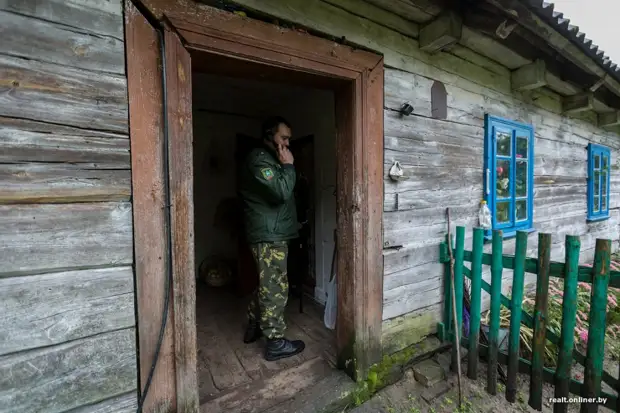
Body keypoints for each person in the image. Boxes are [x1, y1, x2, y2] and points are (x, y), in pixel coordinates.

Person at [238, 116, 306, 361]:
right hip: (269, 236)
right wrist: (289, 166)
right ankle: (275, 342)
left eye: (289, 138)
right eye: (283, 137)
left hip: (274, 232)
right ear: (269, 135)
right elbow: (280, 192)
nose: (287, 143)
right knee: (275, 287)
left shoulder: (270, 159)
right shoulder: (259, 159)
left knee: (268, 284)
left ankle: (255, 323)